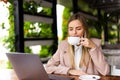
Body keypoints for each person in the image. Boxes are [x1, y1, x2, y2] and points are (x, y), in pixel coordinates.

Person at [45, 12, 110, 76]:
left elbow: (105, 71)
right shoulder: (63, 45)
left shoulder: (95, 43)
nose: (74, 32)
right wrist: (69, 71)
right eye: (71, 29)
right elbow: (48, 68)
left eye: (78, 29)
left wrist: (93, 48)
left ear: (84, 30)